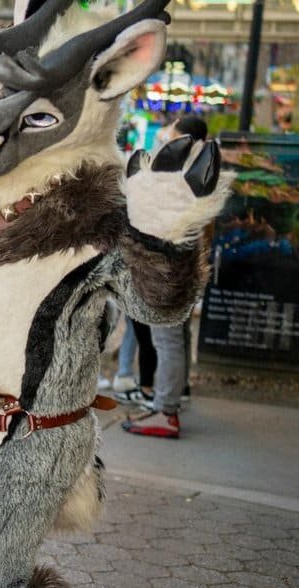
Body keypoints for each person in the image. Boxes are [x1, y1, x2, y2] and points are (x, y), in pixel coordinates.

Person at [123, 114, 209, 438]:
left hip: (167, 265)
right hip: (184, 262)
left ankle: (165, 411)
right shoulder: (198, 167)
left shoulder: (176, 170)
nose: (166, 131)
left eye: (172, 127)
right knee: (178, 336)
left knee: (166, 338)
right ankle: (173, 397)